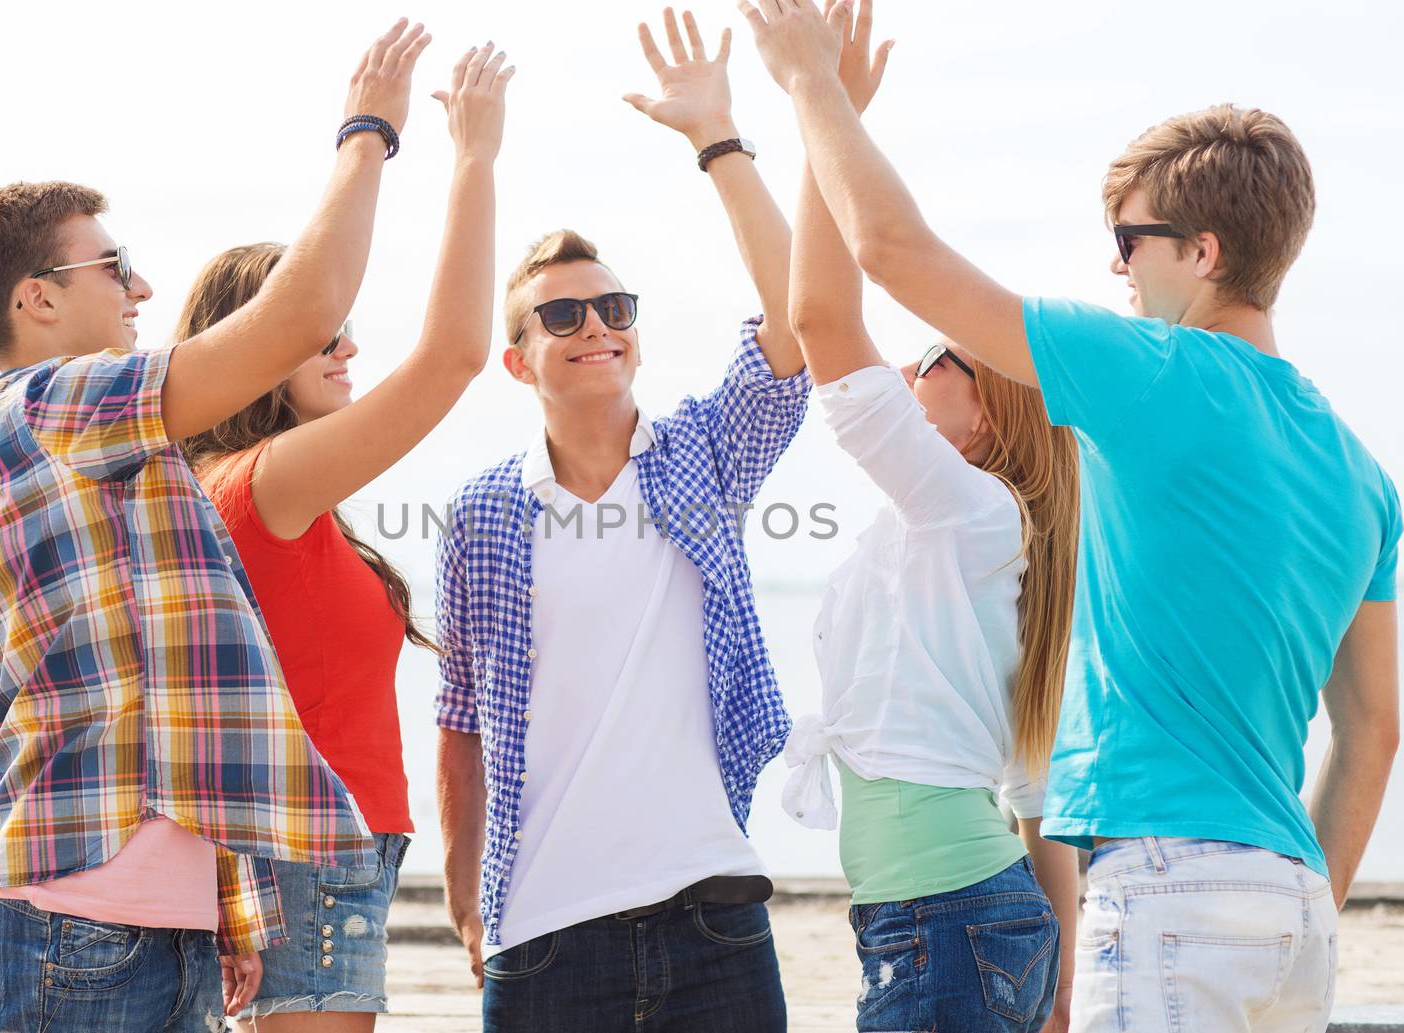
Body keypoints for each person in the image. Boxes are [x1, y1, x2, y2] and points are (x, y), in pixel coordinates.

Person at [742, 2, 1401, 1031]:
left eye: (1130, 240)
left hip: (1165, 884)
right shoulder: (1363, 474)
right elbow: (1372, 728)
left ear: (1203, 251)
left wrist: (809, 83)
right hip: (1293, 909)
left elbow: (891, 249)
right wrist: (1305, 894)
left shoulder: (1155, 373)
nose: (1116, 267)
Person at [0, 20, 431, 1031]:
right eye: (115, 266)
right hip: (65, 927)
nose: (144, 289)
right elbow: (299, 315)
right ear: (36, 297)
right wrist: (368, 131)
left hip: (145, 935)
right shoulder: (46, 402)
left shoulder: (91, 448)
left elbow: (163, 684)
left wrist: (224, 905)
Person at [434, 10, 811, 1031]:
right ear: (518, 359)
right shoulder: (481, 513)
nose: (595, 327)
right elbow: (460, 716)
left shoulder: (702, 452)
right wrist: (464, 891)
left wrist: (717, 140)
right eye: (562, 315)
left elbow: (797, 319)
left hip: (713, 916)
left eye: (614, 308)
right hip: (543, 932)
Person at [178, 41, 515, 1031]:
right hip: (313, 856)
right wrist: (471, 158)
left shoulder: (272, 493)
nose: (349, 345)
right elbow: (454, 357)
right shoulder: (260, 486)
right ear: (262, 343)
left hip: (320, 851)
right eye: (323, 330)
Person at [776, 8, 1078, 1030]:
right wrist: (1057, 978)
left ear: (992, 414)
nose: (909, 366)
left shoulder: (971, 512)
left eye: (937, 357)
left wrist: (816, 98)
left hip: (943, 922)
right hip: (947, 921)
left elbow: (822, 321)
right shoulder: (959, 528)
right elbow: (1040, 802)